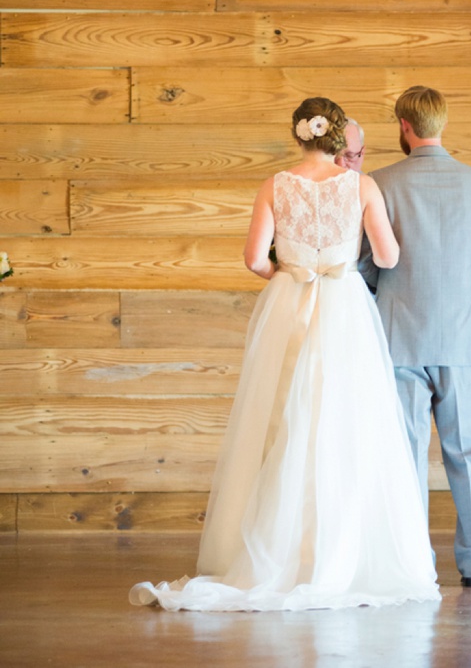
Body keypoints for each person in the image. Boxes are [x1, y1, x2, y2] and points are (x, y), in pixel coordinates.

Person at [130, 97, 440, 612]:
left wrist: (292, 275)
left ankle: (273, 549)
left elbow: (254, 259)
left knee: (278, 421)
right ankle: (345, 551)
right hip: (345, 308)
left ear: (300, 136)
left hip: (289, 305)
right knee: (346, 422)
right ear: (339, 138)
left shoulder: (274, 186)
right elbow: (387, 256)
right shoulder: (362, 186)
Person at [360, 86, 471, 589]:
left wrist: (389, 298)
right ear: (442, 122)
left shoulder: (378, 183)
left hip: (400, 338)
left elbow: (365, 264)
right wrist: (461, 313)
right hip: (461, 337)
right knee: (470, 454)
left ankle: (415, 566)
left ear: (403, 125)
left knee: (407, 455)